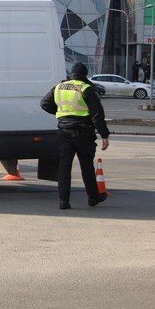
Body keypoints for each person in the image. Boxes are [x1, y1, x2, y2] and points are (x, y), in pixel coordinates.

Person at [40, 62, 110, 210]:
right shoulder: (86, 88)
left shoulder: (59, 87)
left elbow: (44, 104)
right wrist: (104, 135)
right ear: (84, 75)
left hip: (64, 132)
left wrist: (64, 115)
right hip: (84, 132)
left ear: (71, 74)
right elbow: (97, 115)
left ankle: (63, 201)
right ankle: (93, 197)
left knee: (64, 167)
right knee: (86, 167)